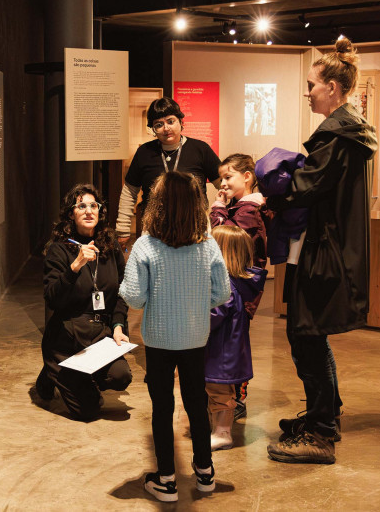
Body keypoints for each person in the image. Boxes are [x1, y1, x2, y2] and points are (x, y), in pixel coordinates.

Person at [264, 36, 378, 464]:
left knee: (305, 334)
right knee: (310, 334)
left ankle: (321, 432)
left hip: (324, 251)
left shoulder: (337, 137)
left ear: (332, 87)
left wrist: (266, 190)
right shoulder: (346, 133)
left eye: (312, 85)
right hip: (328, 247)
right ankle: (324, 415)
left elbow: (303, 188)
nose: (308, 93)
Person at [119, 171, 231, 502]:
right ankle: (205, 473)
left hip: (159, 340)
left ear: (159, 204)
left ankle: (166, 479)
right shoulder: (207, 245)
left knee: (162, 407)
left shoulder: (145, 245)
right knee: (196, 403)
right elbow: (222, 292)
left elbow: (134, 297)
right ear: (197, 205)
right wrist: (194, 303)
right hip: (195, 337)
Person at [36, 184, 132, 421]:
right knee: (89, 410)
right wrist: (75, 267)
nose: (89, 211)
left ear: (99, 211)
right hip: (67, 336)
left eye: (93, 206)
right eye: (81, 206)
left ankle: (78, 376)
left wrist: (118, 325)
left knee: (121, 376)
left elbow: (123, 291)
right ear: (71, 213)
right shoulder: (59, 250)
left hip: (99, 333)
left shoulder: (110, 247)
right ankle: (53, 371)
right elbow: (52, 298)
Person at [210, 153, 268, 421]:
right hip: (235, 286)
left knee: (233, 345)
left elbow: (221, 239)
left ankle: (236, 398)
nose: (222, 183)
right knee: (229, 343)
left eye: (228, 177)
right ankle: (226, 395)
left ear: (247, 177)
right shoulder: (242, 207)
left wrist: (217, 209)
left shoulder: (249, 211)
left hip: (241, 288)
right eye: (221, 178)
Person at [116, 97, 221, 243]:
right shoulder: (144, 152)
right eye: (159, 124)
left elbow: (224, 184)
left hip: (195, 228)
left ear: (181, 121)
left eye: (171, 121)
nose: (166, 128)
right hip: (154, 231)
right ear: (153, 129)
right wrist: (123, 227)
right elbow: (129, 192)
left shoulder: (200, 149)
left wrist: (224, 214)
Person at [206, 226, 266, 450]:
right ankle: (217, 428)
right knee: (217, 390)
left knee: (220, 392)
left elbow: (214, 315)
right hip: (225, 349)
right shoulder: (235, 283)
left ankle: (222, 433)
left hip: (221, 352)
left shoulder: (226, 287)